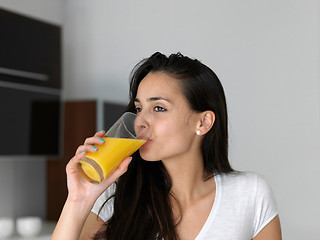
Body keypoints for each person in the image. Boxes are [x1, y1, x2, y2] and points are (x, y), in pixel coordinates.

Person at [51, 52, 282, 240]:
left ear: (203, 122)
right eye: (139, 108)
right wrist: (78, 200)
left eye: (158, 108)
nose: (140, 122)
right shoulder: (116, 196)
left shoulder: (249, 194)